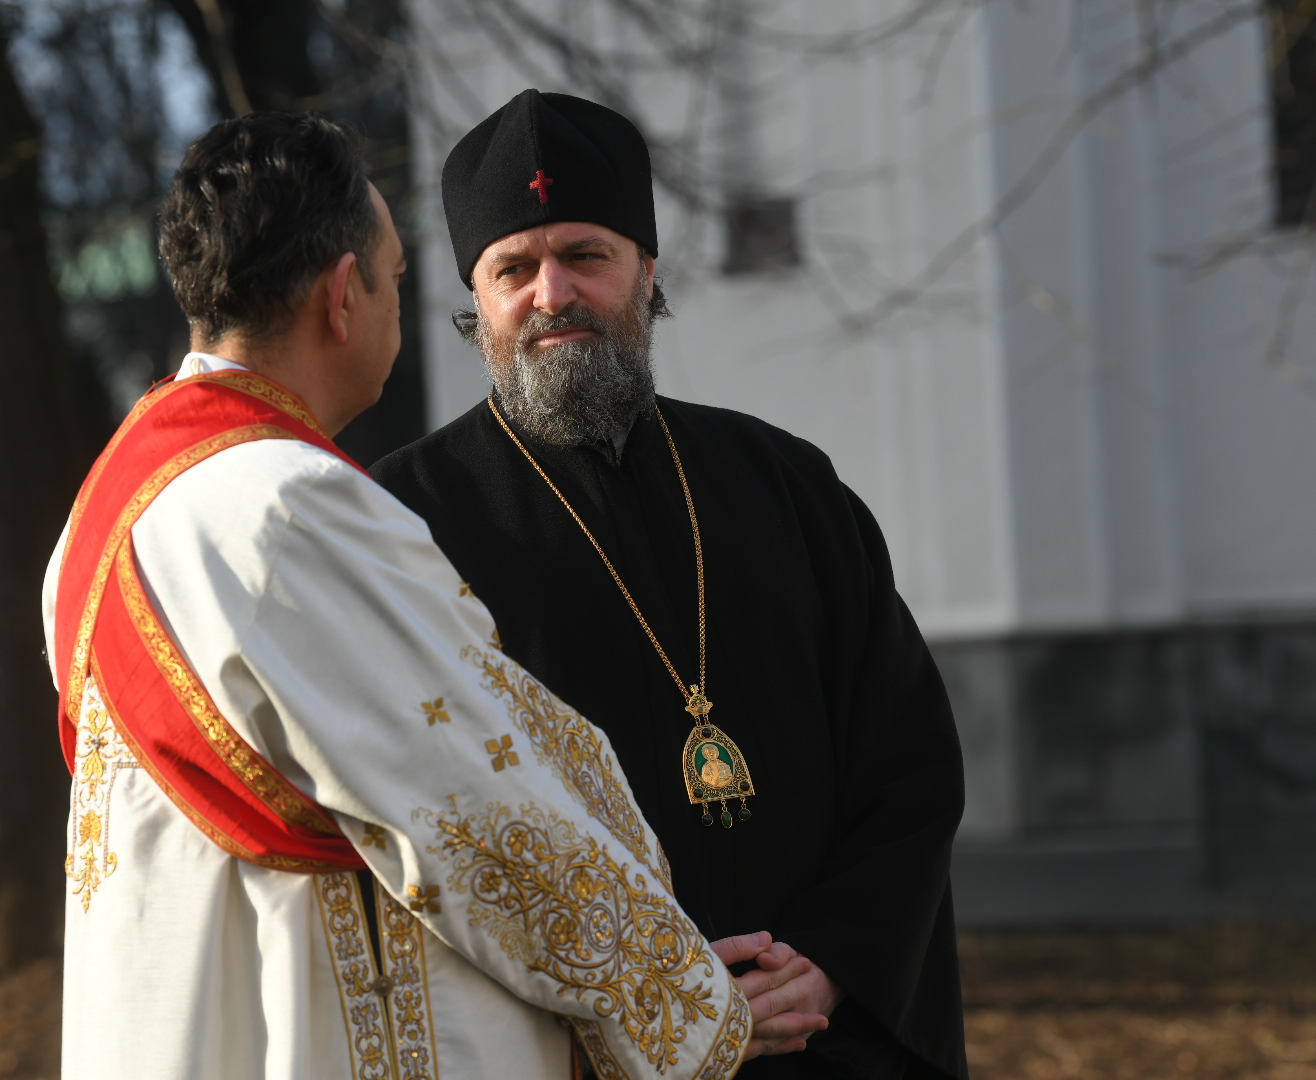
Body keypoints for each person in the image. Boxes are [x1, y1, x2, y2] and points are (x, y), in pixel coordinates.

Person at [42, 112, 772, 1080]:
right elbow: (485, 806)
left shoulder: (107, 502)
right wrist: (689, 1004)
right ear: (343, 297)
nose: (397, 305)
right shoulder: (286, 509)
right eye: (392, 277)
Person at [371, 90, 969, 1080]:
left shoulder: (784, 483)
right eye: (515, 268)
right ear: (475, 304)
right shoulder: (403, 524)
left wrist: (831, 963)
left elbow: (908, 762)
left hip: (827, 1039)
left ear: (650, 274)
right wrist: (657, 999)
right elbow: (429, 828)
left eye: (587, 255)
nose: (553, 291)